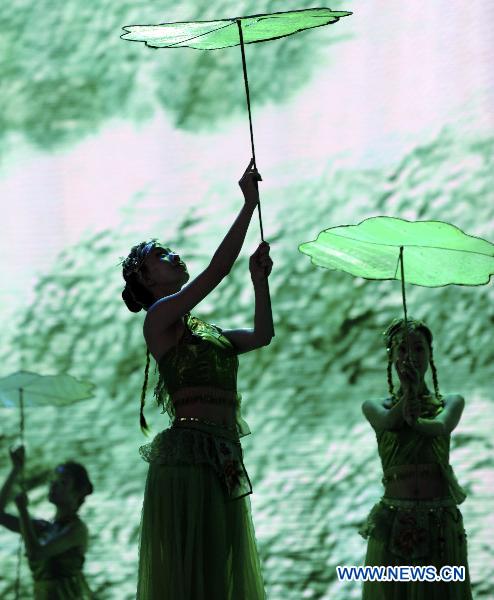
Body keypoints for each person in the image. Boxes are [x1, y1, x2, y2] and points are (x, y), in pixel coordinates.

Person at [121, 159, 273, 599]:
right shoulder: (158, 318)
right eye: (162, 258)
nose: (175, 257)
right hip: (188, 458)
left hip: (224, 453)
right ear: (148, 280)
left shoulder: (203, 332)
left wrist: (259, 280)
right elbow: (215, 272)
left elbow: (262, 335)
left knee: (221, 569)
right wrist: (248, 206)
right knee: (198, 572)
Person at [360, 317, 473, 599]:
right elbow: (388, 421)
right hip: (394, 519)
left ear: (430, 354)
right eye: (402, 349)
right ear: (392, 356)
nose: (411, 356)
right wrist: (407, 397)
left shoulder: (450, 402)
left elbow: (441, 426)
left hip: (439, 521)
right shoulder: (375, 406)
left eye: (419, 348)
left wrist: (417, 421)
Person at [0, 445, 93, 599]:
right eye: (53, 481)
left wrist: (23, 511)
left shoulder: (76, 530)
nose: (54, 485)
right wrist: (16, 469)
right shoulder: (44, 528)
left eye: (63, 483)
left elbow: (36, 554)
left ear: (78, 492)